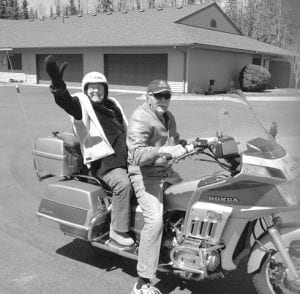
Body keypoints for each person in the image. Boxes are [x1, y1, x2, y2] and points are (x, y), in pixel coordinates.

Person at [44, 55, 134, 247]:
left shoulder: (112, 107)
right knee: (123, 184)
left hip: (125, 158)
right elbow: (66, 103)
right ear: (85, 90)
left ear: (106, 90)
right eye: (91, 88)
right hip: (104, 164)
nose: (96, 91)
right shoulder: (82, 106)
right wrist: (58, 85)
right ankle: (117, 230)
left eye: (100, 88)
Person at [126, 80, 191, 294]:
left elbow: (175, 140)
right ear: (148, 97)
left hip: (165, 172)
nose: (163, 99)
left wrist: (189, 144)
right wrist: (164, 151)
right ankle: (142, 281)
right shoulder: (140, 117)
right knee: (154, 221)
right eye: (158, 95)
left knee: (192, 200)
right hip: (145, 175)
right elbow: (136, 154)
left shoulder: (168, 116)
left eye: (167, 96)